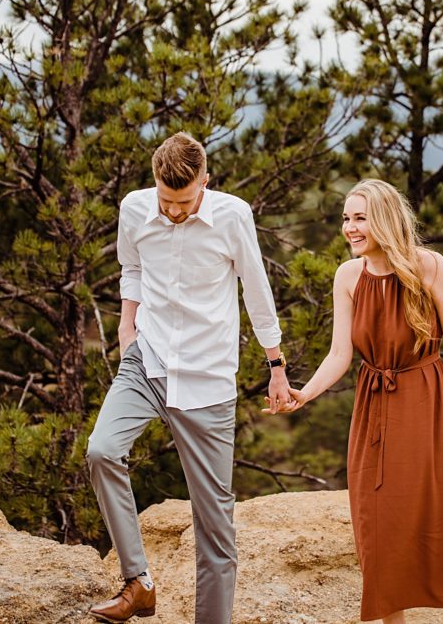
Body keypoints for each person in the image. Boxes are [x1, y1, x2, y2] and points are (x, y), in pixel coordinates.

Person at [269, 179, 443, 623]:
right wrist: (305, 393)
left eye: (361, 218)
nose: (350, 228)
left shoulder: (430, 267)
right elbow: (340, 353)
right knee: (378, 528)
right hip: (373, 408)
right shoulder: (348, 276)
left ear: (386, 220)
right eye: (346, 218)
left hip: (427, 403)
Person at [87, 132, 291, 623]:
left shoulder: (233, 216)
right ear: (154, 183)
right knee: (102, 450)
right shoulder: (134, 208)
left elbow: (256, 291)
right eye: (166, 201)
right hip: (148, 359)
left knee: (214, 526)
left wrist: (276, 366)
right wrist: (126, 326)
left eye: (184, 201)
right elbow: (131, 268)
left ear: (205, 181)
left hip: (207, 378)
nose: (174, 211)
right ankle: (138, 583)